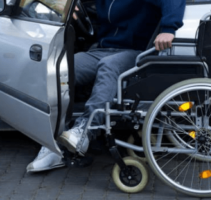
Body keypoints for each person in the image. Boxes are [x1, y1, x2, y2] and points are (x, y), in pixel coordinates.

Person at [26, 0, 186, 172]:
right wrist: (71, 7)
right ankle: (53, 145)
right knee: (61, 69)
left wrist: (169, 28)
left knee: (109, 66)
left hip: (135, 52)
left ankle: (85, 130)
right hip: (103, 50)